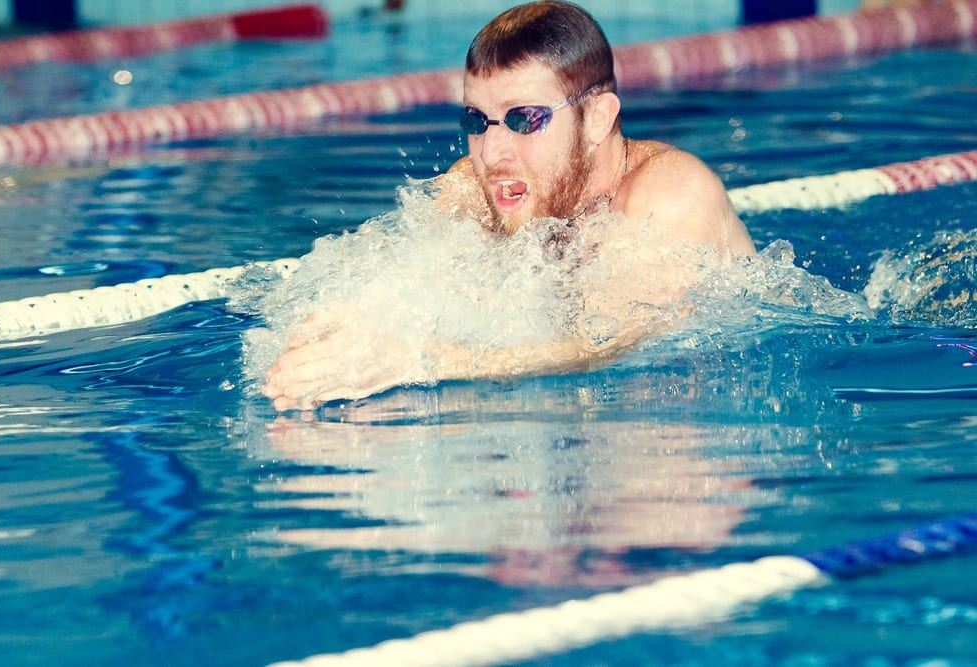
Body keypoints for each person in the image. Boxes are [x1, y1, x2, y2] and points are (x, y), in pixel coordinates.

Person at [263, 0, 755, 411]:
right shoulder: (475, 190)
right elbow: (406, 283)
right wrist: (345, 326)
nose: (491, 153)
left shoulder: (669, 195)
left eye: (524, 119)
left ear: (597, 119)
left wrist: (418, 360)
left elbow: (608, 347)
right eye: (478, 120)